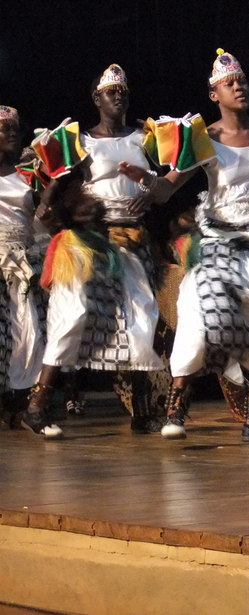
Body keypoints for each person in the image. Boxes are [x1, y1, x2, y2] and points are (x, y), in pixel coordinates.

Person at [120, 49, 249, 441]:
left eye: (242, 81)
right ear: (213, 94)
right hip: (218, 243)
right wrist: (147, 180)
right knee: (201, 319)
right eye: (229, 84)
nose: (239, 87)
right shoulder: (203, 137)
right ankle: (176, 409)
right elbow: (167, 189)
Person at [24, 65, 167, 439]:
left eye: (123, 90)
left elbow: (167, 182)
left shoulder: (144, 136)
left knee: (140, 319)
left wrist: (150, 192)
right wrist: (48, 203)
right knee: (72, 315)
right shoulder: (82, 140)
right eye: (110, 91)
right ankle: (37, 404)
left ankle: (141, 411)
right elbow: (58, 180)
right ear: (96, 99)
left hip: (132, 238)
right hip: (91, 238)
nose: (119, 95)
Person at [0, 105, 47, 430]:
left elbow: (44, 216)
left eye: (15, 128)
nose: (11, 133)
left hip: (21, 258)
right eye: (4, 128)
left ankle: (19, 401)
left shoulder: (29, 172)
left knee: (27, 331)